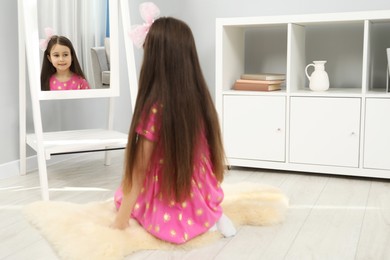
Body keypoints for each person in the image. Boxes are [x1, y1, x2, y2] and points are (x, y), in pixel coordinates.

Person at [111, 3, 236, 245]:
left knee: (125, 200)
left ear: (155, 59)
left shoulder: (155, 108)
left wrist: (120, 221)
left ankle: (201, 219)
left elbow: (138, 170)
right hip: (200, 189)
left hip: (170, 187)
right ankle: (210, 216)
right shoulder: (198, 98)